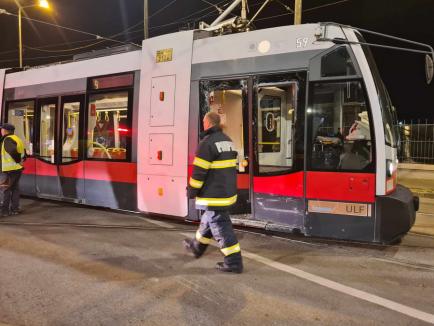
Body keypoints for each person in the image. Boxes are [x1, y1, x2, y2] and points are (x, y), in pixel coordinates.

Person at [183, 112, 243, 273]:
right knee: (208, 220)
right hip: (226, 192)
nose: (203, 124)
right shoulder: (227, 140)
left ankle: (234, 262)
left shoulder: (207, 143)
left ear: (208, 123)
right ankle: (197, 247)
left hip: (214, 195)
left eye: (203, 122)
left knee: (221, 227)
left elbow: (199, 173)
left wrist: (191, 191)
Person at [0, 123, 25, 217]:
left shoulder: (7, 139)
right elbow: (23, 153)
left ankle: (4, 211)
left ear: (5, 131)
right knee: (15, 189)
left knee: (5, 189)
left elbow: (13, 151)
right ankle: (15, 209)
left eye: (2, 129)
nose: (1, 131)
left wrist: (18, 160)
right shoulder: (17, 138)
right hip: (17, 169)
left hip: (8, 170)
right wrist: (20, 161)